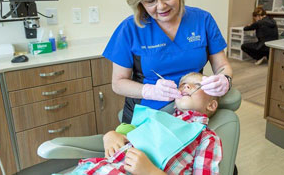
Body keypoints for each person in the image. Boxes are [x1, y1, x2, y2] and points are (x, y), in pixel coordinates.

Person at [102, 0, 233, 124]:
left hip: (192, 114)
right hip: (148, 117)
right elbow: (118, 83)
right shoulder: (130, 29)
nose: (161, 6)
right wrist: (149, 91)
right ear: (140, 2)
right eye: (150, 1)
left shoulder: (202, 20)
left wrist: (224, 79)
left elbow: (222, 67)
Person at [70, 72, 222, 175]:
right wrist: (111, 136)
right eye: (182, 84)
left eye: (197, 85)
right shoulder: (157, 118)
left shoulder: (207, 138)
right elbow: (125, 134)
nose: (186, 86)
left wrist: (151, 172)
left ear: (211, 105)